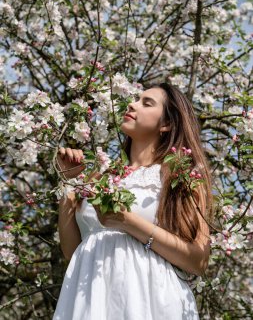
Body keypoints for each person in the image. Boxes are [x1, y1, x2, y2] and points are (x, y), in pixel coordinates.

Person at [53, 82, 213, 320]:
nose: (132, 104)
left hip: (150, 300)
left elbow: (198, 260)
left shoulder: (179, 177)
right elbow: (72, 251)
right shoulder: (99, 177)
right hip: (89, 297)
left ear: (167, 124)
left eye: (146, 103)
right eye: (136, 99)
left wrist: (128, 222)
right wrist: (70, 183)